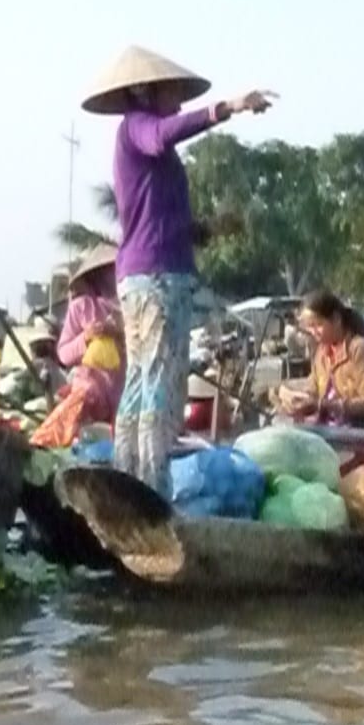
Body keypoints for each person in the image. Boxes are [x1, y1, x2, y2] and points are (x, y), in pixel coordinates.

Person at [82, 46, 273, 495]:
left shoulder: (147, 147)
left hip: (150, 271)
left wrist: (202, 229)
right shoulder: (138, 128)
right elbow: (164, 134)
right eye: (173, 92)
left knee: (144, 377)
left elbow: (158, 214)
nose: (180, 102)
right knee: (160, 378)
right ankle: (149, 484)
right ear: (147, 90)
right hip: (156, 277)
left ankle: (129, 476)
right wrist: (227, 107)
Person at [31, 244, 124, 448]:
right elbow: (64, 354)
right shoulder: (81, 307)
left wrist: (118, 335)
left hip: (121, 395)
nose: (112, 279)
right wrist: (87, 337)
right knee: (63, 430)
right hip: (89, 391)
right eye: (107, 273)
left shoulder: (130, 310)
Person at [282, 290, 364, 430]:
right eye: (310, 327)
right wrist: (295, 401)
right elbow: (313, 390)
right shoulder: (321, 353)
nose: (313, 332)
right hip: (333, 432)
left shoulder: (361, 349)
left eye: (318, 325)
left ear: (336, 319)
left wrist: (324, 405)